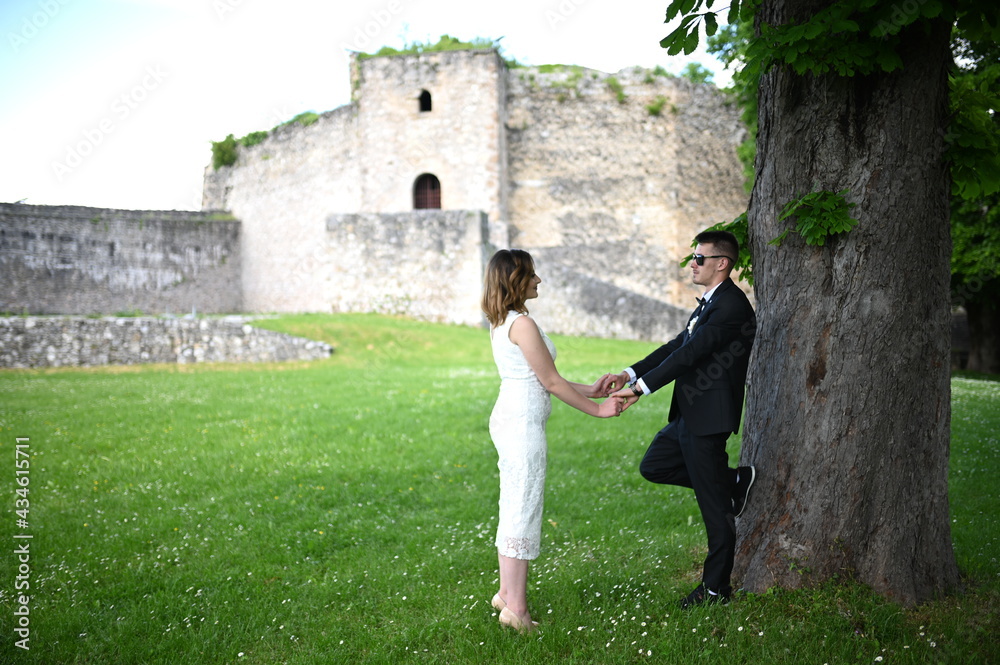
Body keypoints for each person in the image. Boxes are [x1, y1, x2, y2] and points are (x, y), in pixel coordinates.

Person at [603, 229, 757, 609]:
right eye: (693, 257)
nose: (693, 263)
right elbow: (678, 346)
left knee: (715, 508)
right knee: (654, 464)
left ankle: (716, 589)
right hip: (690, 412)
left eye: (700, 258)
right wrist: (629, 373)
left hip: (709, 418)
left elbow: (690, 356)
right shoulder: (710, 302)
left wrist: (640, 391)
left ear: (722, 263)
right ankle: (734, 480)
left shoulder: (731, 306)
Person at [482, 248, 622, 633]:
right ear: (515, 281)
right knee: (522, 507)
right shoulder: (521, 324)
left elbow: (540, 377)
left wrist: (591, 390)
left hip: (512, 417)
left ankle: (506, 594)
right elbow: (550, 382)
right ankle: (517, 611)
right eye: (531, 275)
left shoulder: (505, 320)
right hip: (520, 423)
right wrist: (598, 411)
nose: (538, 280)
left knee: (514, 503)